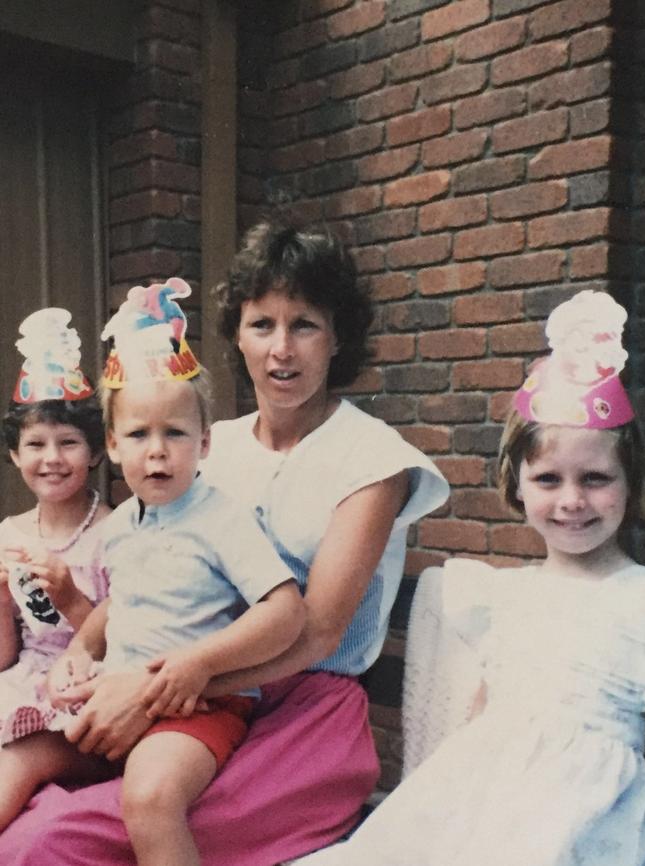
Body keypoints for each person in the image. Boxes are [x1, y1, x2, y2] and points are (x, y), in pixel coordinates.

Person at [0, 222, 449, 865]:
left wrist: (156, 688)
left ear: (338, 336)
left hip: (298, 712)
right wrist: (92, 651)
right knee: (30, 824)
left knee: (72, 841)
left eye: (306, 325)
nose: (282, 350)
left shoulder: (371, 460)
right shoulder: (204, 442)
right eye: (262, 324)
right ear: (237, 335)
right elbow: (150, 575)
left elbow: (316, 633)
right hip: (182, 691)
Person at [294, 289, 645, 866]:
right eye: (549, 480)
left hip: (584, 822)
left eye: (596, 478)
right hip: (484, 804)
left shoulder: (640, 603)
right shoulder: (504, 598)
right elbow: (482, 718)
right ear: (517, 485)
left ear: (630, 483)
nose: (572, 501)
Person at [2, 279, 305, 866]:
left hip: (198, 710)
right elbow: (120, 605)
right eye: (139, 435)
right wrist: (79, 653)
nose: (158, 452)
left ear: (207, 443)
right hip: (119, 698)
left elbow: (285, 610)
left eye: (176, 434)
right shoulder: (120, 527)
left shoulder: (223, 519)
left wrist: (199, 663)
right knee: (20, 750)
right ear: (112, 445)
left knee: (150, 795)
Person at [0, 308, 111, 802]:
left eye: (68, 443)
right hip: (21, 681)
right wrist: (2, 599)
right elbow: (6, 655)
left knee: (13, 765)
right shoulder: (11, 532)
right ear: (14, 454)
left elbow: (120, 640)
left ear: (94, 451)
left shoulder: (115, 531)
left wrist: (68, 596)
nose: (51, 459)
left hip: (84, 690)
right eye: (35, 444)